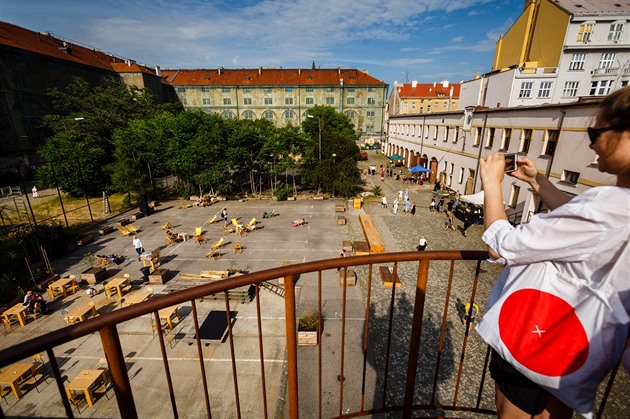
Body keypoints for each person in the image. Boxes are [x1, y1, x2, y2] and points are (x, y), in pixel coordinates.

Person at [476, 86, 630, 418]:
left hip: (535, 336)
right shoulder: (619, 208)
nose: (591, 143)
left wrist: (491, 183)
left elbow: (500, 246)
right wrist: (539, 183)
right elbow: (584, 224)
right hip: (575, 344)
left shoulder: (608, 204)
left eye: (596, 132)